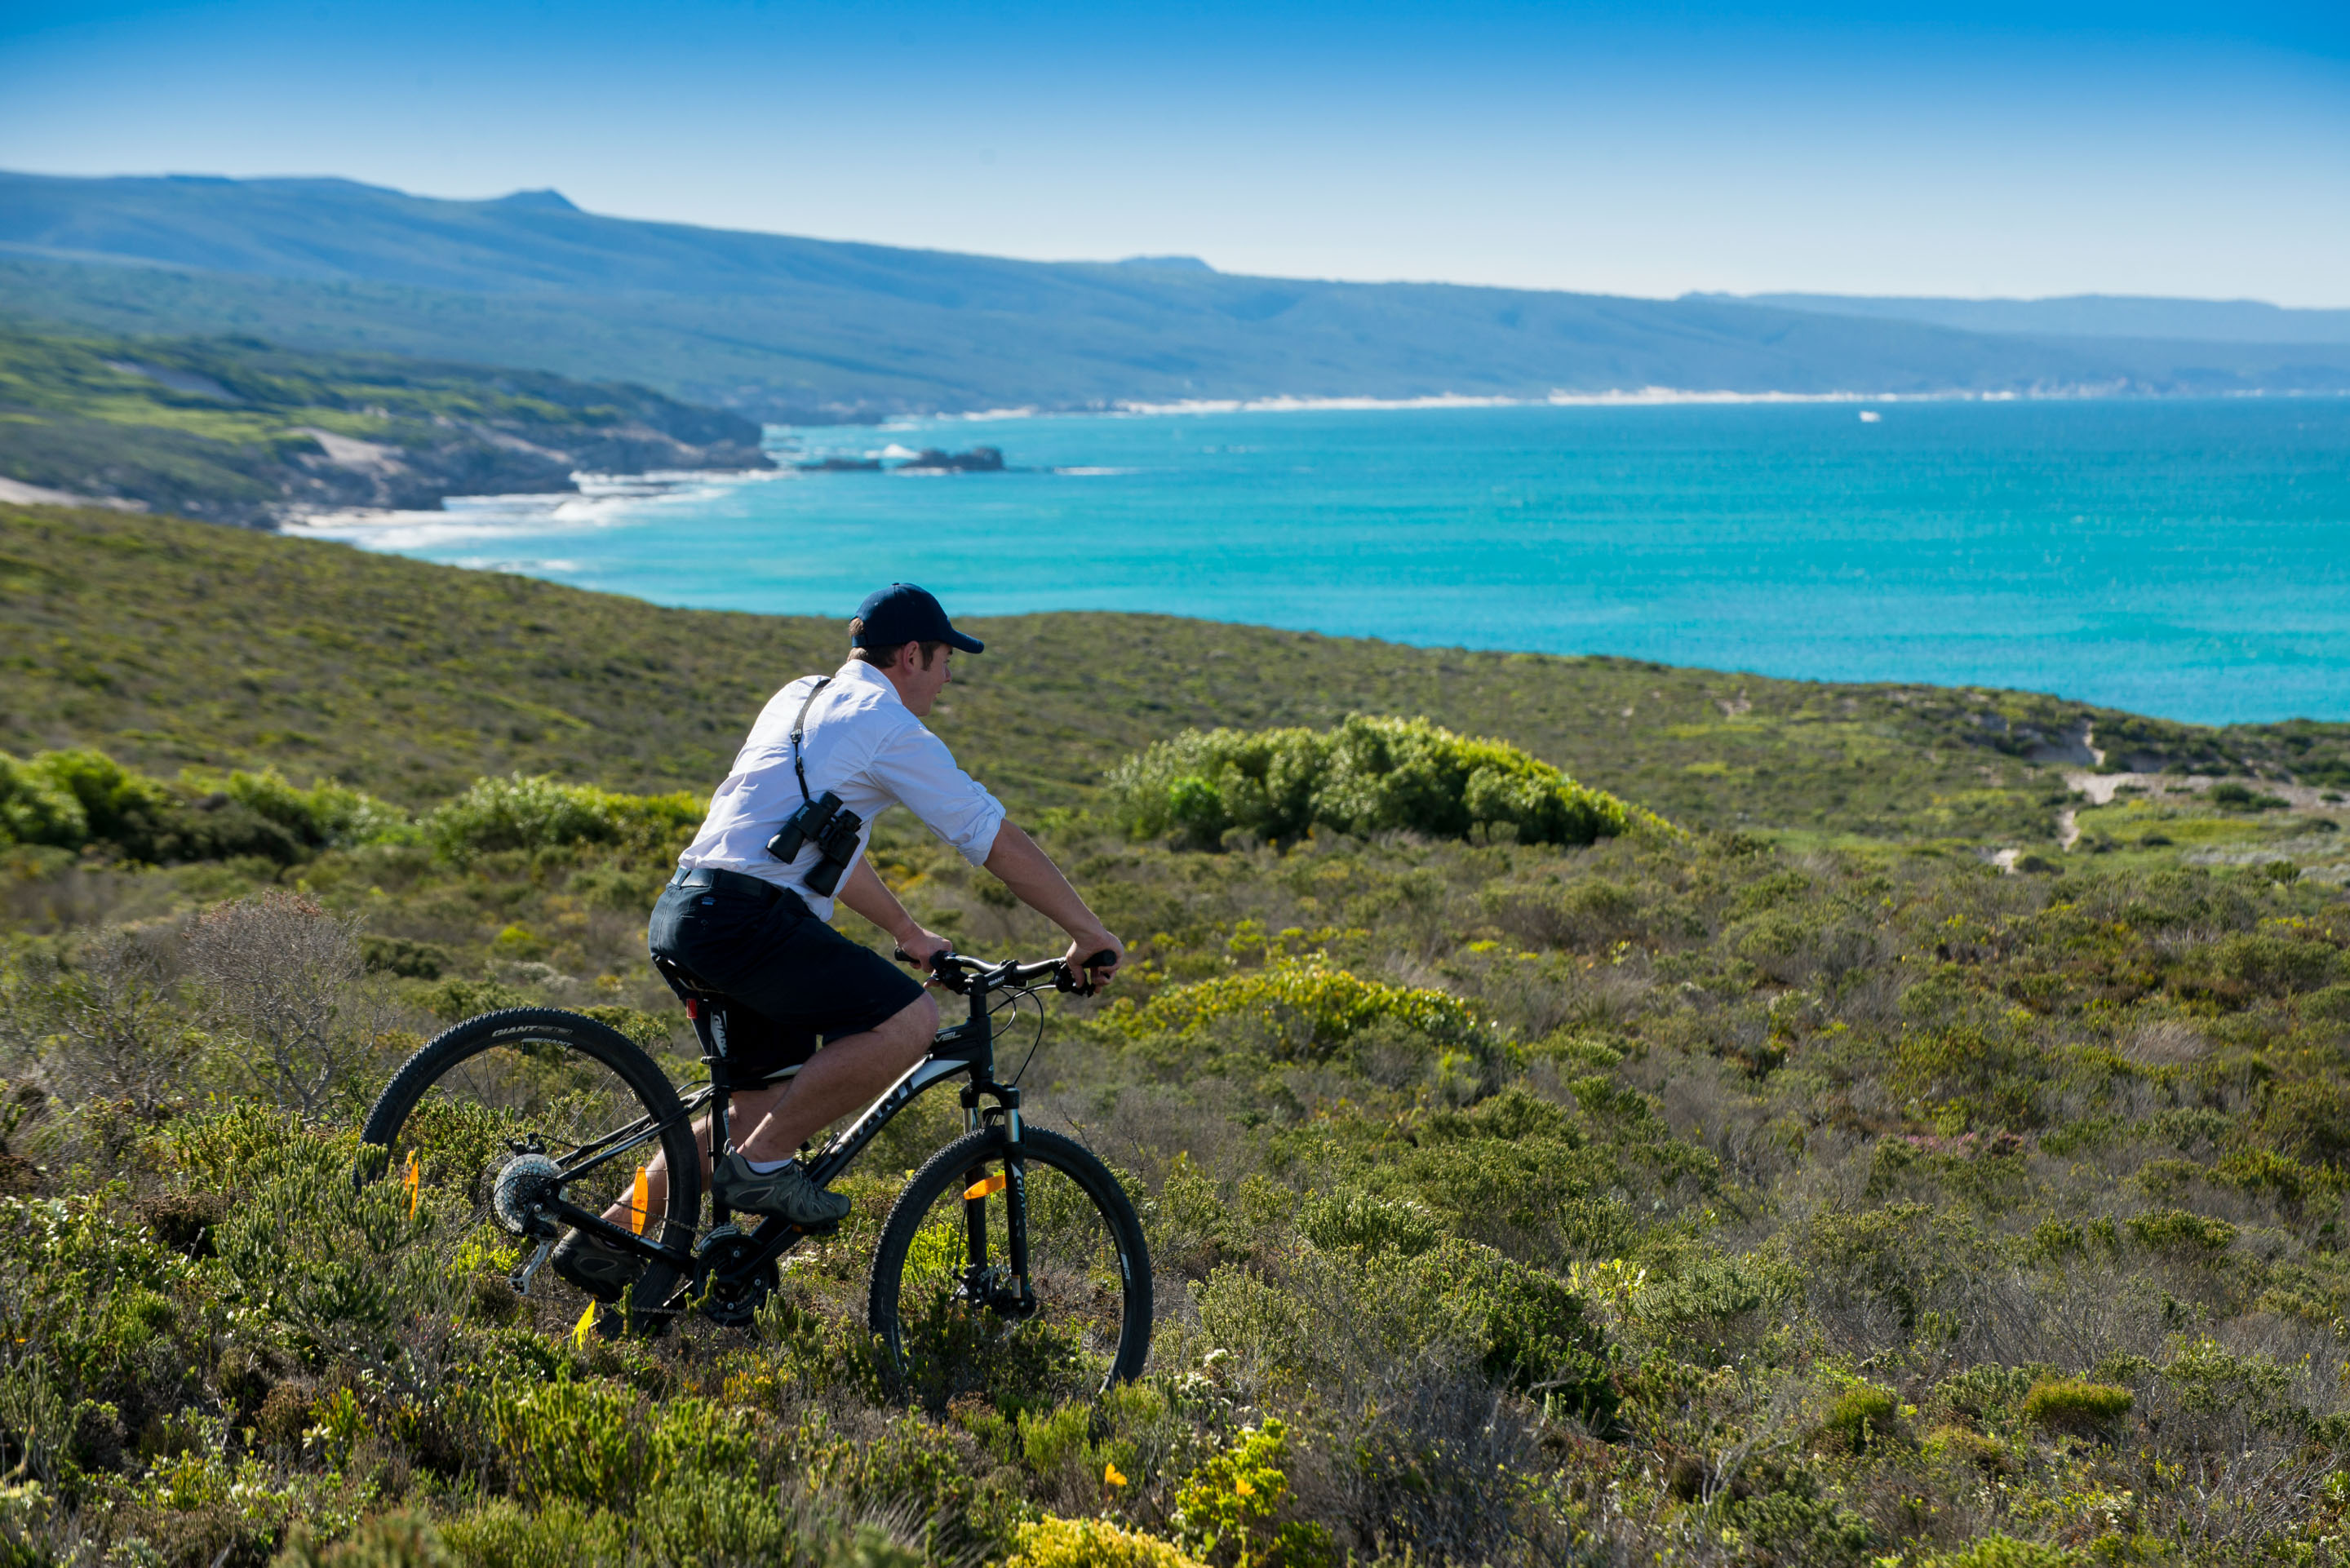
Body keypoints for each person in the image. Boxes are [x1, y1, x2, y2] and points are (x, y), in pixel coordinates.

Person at [550, 582, 1125, 1300]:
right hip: (748, 922)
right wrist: (1087, 932)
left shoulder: (801, 694)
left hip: (690, 908)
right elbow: (992, 839)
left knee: (756, 1110)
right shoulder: (887, 725)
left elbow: (817, 847)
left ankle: (605, 1238)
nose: (949, 677)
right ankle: (762, 1169)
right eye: (946, 659)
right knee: (910, 1020)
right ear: (912, 654)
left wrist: (906, 930)